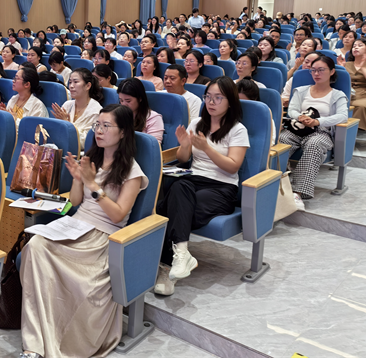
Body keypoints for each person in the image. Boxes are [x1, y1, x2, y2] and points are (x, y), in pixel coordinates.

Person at [20, 104, 148, 358]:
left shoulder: (131, 171)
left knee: (80, 280)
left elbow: (118, 215)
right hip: (76, 226)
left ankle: (57, 339)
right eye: (97, 125)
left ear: (123, 132)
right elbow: (76, 201)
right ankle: (34, 344)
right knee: (35, 246)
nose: (98, 131)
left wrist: (93, 185)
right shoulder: (91, 159)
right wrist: (78, 179)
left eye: (106, 126)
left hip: (102, 237)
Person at [155, 77, 249, 296]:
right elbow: (183, 158)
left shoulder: (238, 129)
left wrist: (207, 148)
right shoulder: (197, 123)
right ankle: (181, 255)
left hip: (221, 188)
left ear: (230, 101)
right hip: (193, 180)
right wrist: (184, 145)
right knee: (179, 188)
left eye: (218, 98)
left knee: (167, 209)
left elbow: (233, 166)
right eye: (208, 97)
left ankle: (166, 267)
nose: (211, 102)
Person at [280, 56, 348, 208]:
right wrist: (300, 117)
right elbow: (292, 110)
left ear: (332, 71)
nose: (316, 73)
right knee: (282, 140)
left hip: (321, 131)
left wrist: (318, 121)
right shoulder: (301, 91)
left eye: (321, 70)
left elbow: (343, 116)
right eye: (313, 70)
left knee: (314, 144)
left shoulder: (337, 95)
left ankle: (298, 192)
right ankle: (277, 184)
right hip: (298, 127)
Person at [52, 68, 103, 151]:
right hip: (62, 149)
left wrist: (67, 124)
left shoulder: (96, 111)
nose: (71, 86)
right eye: (70, 82)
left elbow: (86, 142)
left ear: (88, 86)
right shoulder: (67, 105)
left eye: (76, 82)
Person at [118, 78, 164, 144]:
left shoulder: (153, 118)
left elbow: (154, 146)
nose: (124, 104)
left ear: (140, 98)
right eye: (121, 100)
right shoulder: (119, 114)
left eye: (128, 101)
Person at [342, 39, 366, 132]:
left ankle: (355, 132)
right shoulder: (346, 64)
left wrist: (363, 67)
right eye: (354, 46)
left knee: (360, 106)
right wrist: (341, 68)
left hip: (365, 95)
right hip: (347, 94)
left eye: (360, 45)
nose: (355, 47)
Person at [236, 78, 275, 145]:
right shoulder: (227, 113)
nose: (241, 106)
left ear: (254, 100)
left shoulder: (264, 117)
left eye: (245, 103)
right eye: (238, 102)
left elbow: (270, 142)